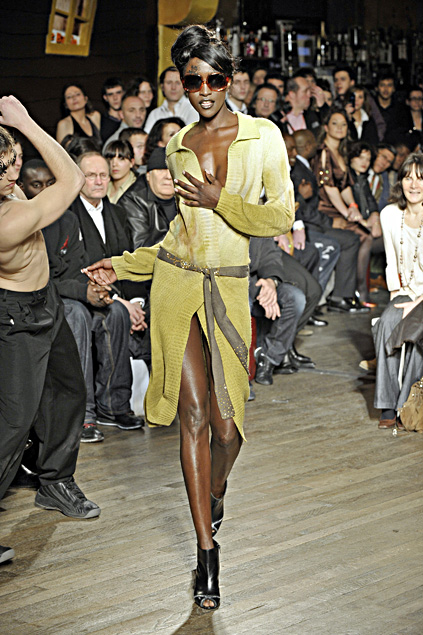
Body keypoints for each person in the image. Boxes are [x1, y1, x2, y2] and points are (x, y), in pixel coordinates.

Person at [84, 25, 294, 609]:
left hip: (227, 290)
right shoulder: (178, 145)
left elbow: (279, 216)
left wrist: (219, 199)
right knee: (194, 417)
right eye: (192, 80)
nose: (203, 90)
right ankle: (207, 554)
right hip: (177, 287)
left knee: (229, 430)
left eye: (213, 79)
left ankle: (215, 489)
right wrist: (121, 264)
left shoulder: (263, 136)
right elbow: (176, 237)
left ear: (230, 79)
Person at [0, 96, 101, 564]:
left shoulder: (10, 193)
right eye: (3, 168)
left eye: (15, 162)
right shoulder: (7, 219)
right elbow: (73, 179)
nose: (14, 175)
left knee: (67, 391)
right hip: (16, 315)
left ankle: (55, 481)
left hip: (47, 302)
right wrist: (26, 121)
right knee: (13, 422)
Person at [373, 153, 423, 429]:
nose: (413, 184)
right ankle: (387, 403)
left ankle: (407, 403)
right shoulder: (390, 214)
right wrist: (397, 297)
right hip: (404, 291)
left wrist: (418, 303)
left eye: (420, 178)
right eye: (408, 177)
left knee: (417, 330)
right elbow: (391, 261)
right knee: (387, 323)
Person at [314, 108, 370, 312]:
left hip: (338, 208)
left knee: (364, 235)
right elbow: (329, 188)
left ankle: (348, 293)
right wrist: (347, 213)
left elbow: (345, 186)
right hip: (325, 211)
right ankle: (344, 295)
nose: (340, 128)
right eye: (335, 123)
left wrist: (353, 207)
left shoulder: (341, 152)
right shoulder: (323, 152)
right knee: (359, 236)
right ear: (326, 127)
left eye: (344, 124)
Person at [119, 147, 177, 248]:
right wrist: (180, 234)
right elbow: (140, 248)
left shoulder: (186, 197)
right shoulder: (132, 201)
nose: (168, 176)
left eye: (172, 170)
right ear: (148, 176)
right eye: (160, 170)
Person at [143, 66, 199, 133]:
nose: (173, 87)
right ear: (162, 86)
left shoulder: (194, 108)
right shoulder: (155, 114)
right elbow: (147, 137)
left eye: (178, 83)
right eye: (169, 83)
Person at [104, 139, 137, 204]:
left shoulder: (137, 188)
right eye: (110, 159)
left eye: (121, 159)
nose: (114, 164)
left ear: (132, 162)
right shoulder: (103, 184)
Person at [100, 77, 124, 143]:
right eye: (110, 94)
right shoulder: (101, 121)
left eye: (118, 93)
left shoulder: (131, 117)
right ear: (105, 98)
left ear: (123, 94)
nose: (115, 98)